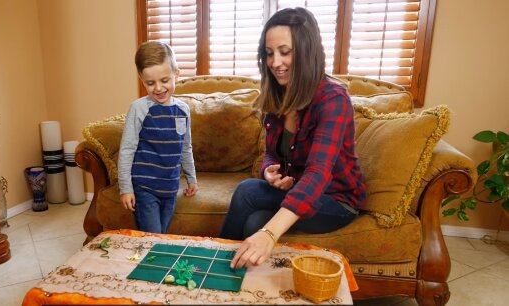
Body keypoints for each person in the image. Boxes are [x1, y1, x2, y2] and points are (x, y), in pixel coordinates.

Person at [219, 7, 366, 269]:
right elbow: (271, 154)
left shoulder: (333, 99)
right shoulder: (278, 97)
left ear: (307, 51)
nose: (276, 62)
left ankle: (209, 262)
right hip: (299, 192)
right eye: (269, 53)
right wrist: (268, 172)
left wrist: (271, 234)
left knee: (247, 192)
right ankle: (238, 285)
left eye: (285, 52)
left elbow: (318, 173)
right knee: (254, 224)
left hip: (335, 200)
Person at [118, 41, 199, 234]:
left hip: (170, 189)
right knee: (153, 238)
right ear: (141, 79)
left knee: (161, 237)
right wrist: (126, 188)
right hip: (145, 188)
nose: (158, 88)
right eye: (150, 83)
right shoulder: (139, 108)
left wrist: (191, 178)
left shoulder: (183, 110)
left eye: (164, 80)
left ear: (176, 74)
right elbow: (127, 149)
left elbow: (185, 148)